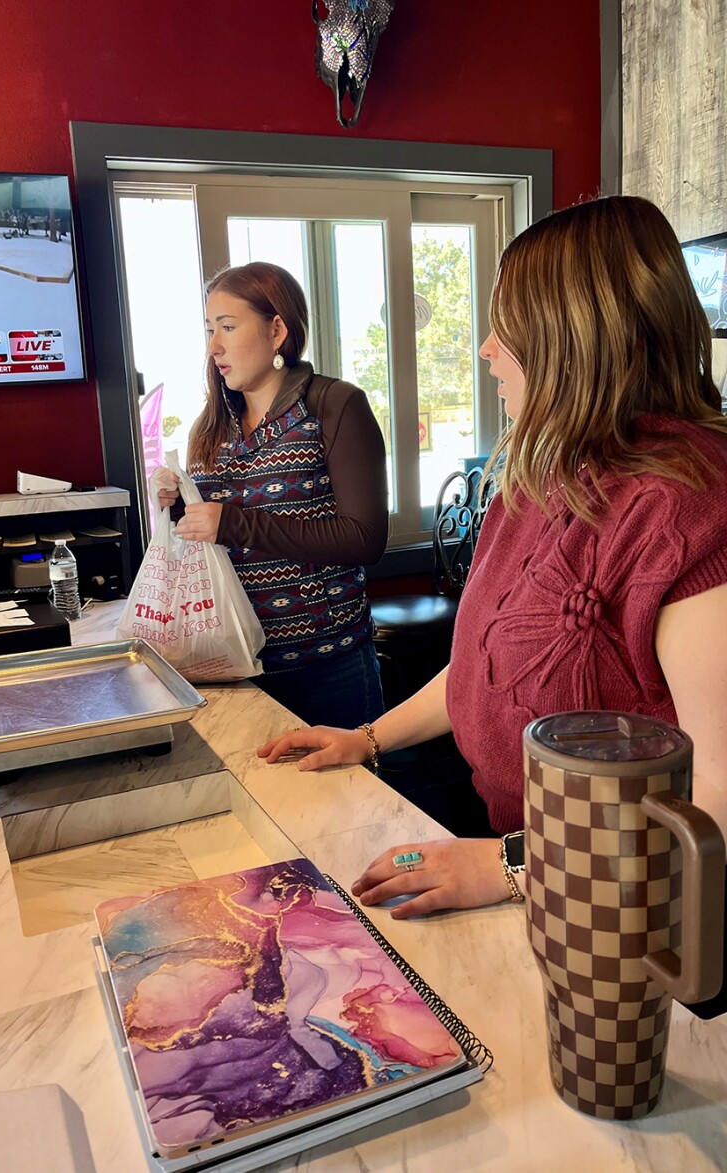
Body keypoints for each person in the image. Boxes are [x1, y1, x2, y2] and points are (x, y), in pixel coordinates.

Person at [259, 196, 727, 937]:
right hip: (529, 862)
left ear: (574, 337)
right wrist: (368, 737)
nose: (484, 349)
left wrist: (512, 866)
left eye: (504, 326)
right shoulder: (542, 472)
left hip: (638, 918)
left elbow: (716, 797)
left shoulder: (690, 506)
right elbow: (485, 665)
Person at [153, 260, 388, 729]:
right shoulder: (212, 423)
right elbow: (208, 535)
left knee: (345, 803)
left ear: (276, 329)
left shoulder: (335, 404)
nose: (213, 346)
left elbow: (365, 538)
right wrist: (177, 503)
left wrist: (233, 523)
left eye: (227, 326)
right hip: (234, 667)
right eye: (209, 329)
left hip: (326, 668)